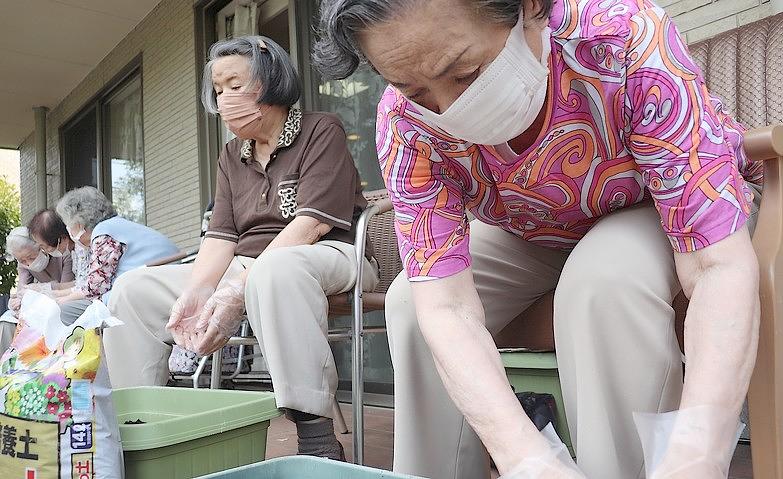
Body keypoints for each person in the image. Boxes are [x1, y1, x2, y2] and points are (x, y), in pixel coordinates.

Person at [315, 0, 763, 478]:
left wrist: (699, 452)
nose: (450, 111)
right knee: (409, 305)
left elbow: (716, 266)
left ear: (527, 8)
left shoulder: (621, 37)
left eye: (466, 73)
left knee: (605, 279)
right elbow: (446, 305)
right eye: (417, 92)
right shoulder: (404, 123)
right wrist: (526, 459)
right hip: (533, 229)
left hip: (659, 202)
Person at [104, 35, 377, 462]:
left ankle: (316, 436)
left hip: (328, 252)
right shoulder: (232, 154)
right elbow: (220, 237)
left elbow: (311, 223)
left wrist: (235, 291)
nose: (224, 98)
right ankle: (142, 424)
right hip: (249, 266)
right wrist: (198, 291)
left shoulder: (320, 129)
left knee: (276, 270)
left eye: (235, 84)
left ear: (271, 81)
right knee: (132, 290)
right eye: (218, 89)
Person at [53, 186, 179, 324]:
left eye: (68, 224)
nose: (69, 230)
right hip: (165, 283)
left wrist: (62, 301)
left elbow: (95, 288)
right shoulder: (116, 226)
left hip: (148, 292)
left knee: (66, 311)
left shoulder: (103, 234)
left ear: (78, 223)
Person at [5, 226, 74, 288]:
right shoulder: (23, 264)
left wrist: (41, 288)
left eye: (31, 257)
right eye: (22, 261)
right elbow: (22, 289)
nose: (29, 264)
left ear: (41, 247)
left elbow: (66, 287)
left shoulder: (62, 253)